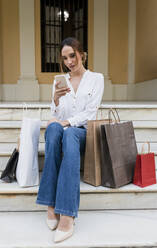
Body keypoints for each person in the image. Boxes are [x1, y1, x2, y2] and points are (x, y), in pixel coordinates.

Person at [36, 37, 104, 243]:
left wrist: (66, 122)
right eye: (65, 58)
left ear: (82, 54)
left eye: (72, 55)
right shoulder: (60, 81)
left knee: (68, 131)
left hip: (82, 133)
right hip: (63, 132)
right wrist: (56, 100)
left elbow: (90, 114)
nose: (69, 61)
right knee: (55, 129)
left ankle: (66, 213)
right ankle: (50, 203)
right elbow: (55, 113)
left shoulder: (96, 79)